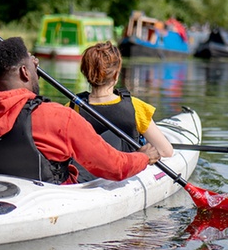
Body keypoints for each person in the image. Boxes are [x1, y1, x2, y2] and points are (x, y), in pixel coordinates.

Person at [0, 37, 160, 184]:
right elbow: (115, 167)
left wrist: (15, 77)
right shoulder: (58, 117)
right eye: (32, 66)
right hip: (52, 195)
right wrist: (143, 157)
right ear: (25, 71)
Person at [69, 41, 174, 181]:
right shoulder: (136, 107)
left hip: (84, 178)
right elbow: (166, 151)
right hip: (123, 176)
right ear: (116, 74)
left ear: (85, 73)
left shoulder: (73, 107)